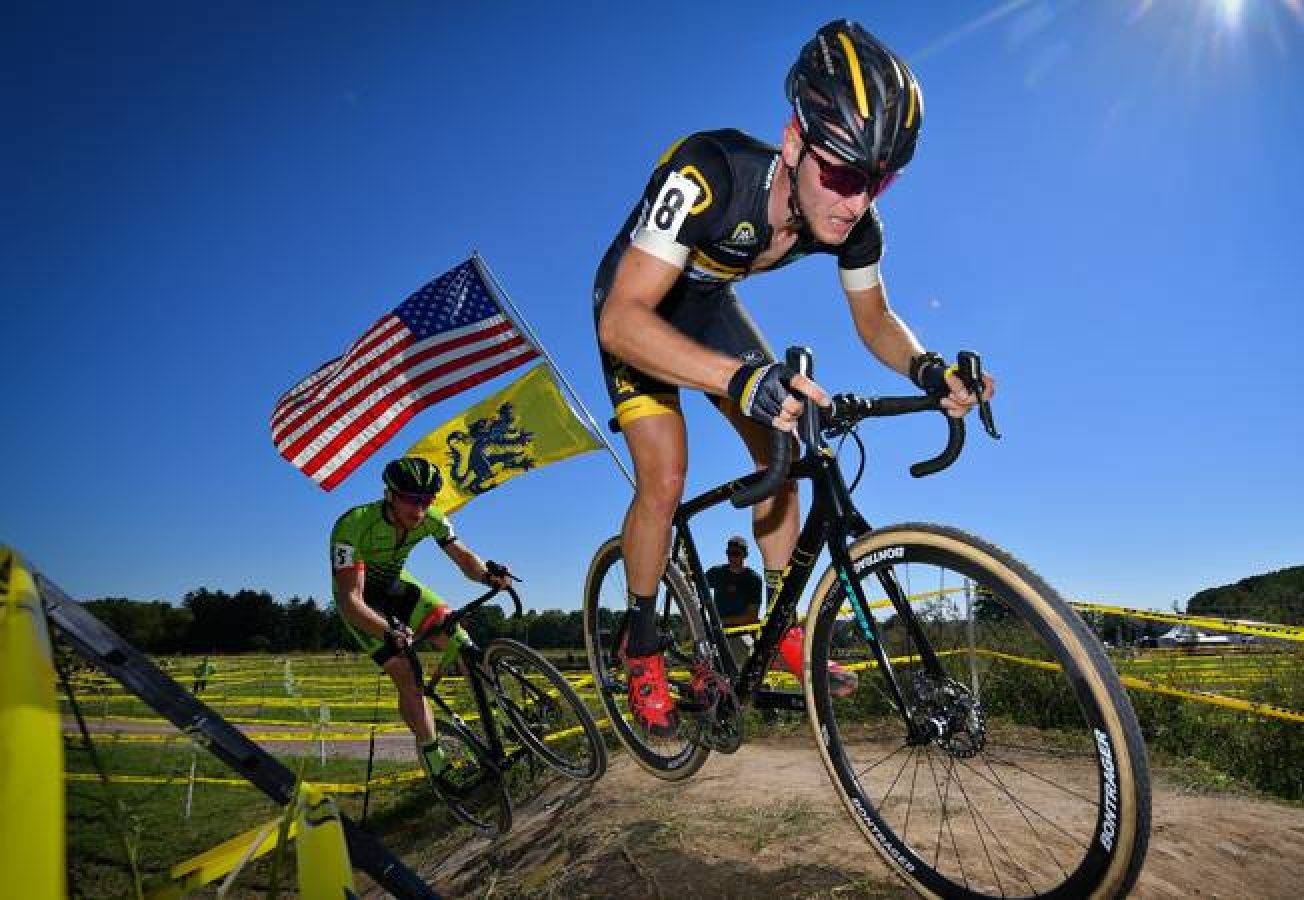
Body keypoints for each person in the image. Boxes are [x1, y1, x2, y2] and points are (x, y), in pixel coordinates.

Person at [593, 19, 996, 737]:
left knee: (783, 446)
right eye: (840, 175)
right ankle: (642, 642)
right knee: (665, 476)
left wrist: (927, 368)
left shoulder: (855, 219)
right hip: (638, 305)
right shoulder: (709, 171)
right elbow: (622, 321)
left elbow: (875, 318)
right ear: (792, 142)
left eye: (878, 182)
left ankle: (782, 625)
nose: (856, 203)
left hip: (708, 304)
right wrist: (737, 379)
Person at [329, 456, 514, 777]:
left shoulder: (432, 518)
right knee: (407, 675)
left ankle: (505, 721)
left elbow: (463, 557)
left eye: (426, 501)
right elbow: (350, 600)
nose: (418, 510)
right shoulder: (353, 525)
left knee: (463, 645)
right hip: (363, 604)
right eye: (410, 500)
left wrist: (488, 576)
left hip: (397, 587)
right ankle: (434, 758)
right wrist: (387, 631)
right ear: (389, 495)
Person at [707, 535, 763, 628]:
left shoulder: (753, 579)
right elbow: (695, 585)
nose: (732, 557)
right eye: (729, 553)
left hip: (742, 630)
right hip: (717, 629)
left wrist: (719, 621)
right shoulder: (716, 573)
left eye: (736, 553)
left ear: (745, 555)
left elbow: (752, 617)